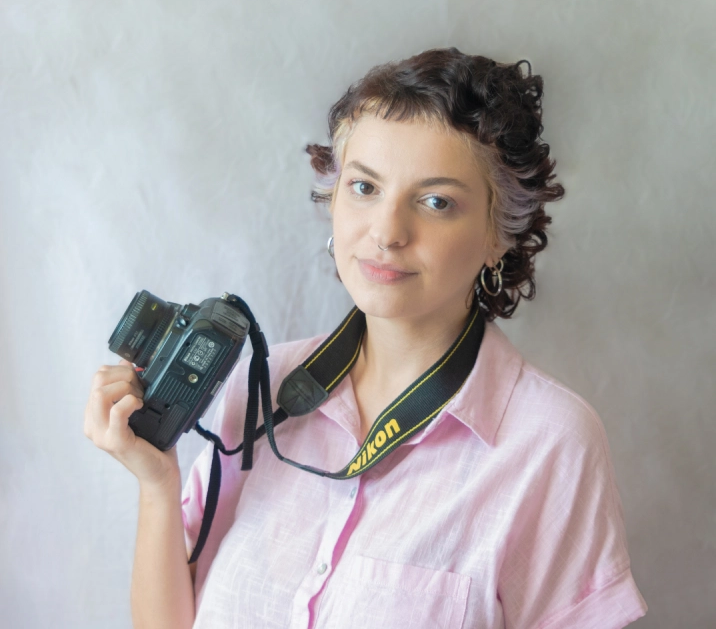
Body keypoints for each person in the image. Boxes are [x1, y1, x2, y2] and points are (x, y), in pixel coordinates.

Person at [84, 47, 648, 628]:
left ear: (498, 234)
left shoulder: (549, 442)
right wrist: (158, 481)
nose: (386, 231)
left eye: (436, 201)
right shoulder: (264, 386)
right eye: (364, 187)